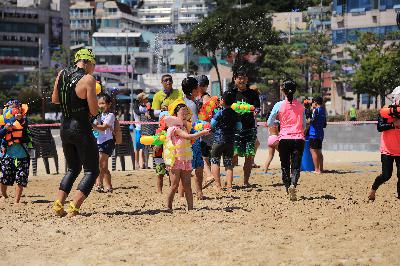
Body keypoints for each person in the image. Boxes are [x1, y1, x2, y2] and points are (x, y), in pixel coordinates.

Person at [51, 48, 99, 217]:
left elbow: (55, 99)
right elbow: (93, 111)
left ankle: (58, 205)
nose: (94, 68)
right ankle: (74, 208)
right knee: (92, 170)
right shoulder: (88, 79)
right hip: (81, 128)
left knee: (72, 168)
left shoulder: (62, 74)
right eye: (93, 64)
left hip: (64, 127)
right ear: (86, 62)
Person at [164, 101, 210, 210]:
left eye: (186, 113)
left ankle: (191, 208)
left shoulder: (185, 127)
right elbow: (188, 137)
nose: (185, 116)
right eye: (182, 113)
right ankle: (168, 207)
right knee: (174, 185)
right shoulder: (175, 129)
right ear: (176, 115)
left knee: (187, 185)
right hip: (176, 160)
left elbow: (190, 138)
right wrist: (202, 133)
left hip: (186, 160)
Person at [267, 79, 306, 201]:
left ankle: (288, 187)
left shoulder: (279, 105)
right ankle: (293, 184)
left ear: (283, 91)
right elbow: (304, 125)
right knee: (296, 166)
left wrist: (279, 122)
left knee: (284, 166)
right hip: (299, 138)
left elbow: (269, 122)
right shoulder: (300, 106)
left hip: (284, 138)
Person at [229, 69, 260, 187]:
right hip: (234, 129)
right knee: (233, 155)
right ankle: (229, 182)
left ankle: (246, 181)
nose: (241, 80)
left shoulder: (253, 93)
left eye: (243, 78)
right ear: (235, 79)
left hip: (249, 128)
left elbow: (257, 108)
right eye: (239, 78)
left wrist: (255, 111)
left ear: (247, 79)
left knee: (249, 155)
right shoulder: (231, 93)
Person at [368, 87, 400, 201]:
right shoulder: (386, 111)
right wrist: (394, 125)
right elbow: (379, 127)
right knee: (386, 175)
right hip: (387, 149)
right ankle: (373, 189)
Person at [0, 101, 31, 203]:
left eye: (16, 108)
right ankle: (4, 195)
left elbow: (25, 126)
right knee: (5, 176)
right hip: (7, 154)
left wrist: (20, 119)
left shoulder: (24, 119)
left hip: (23, 153)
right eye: (11, 108)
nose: (14, 110)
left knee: (21, 177)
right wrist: (5, 129)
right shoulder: (3, 120)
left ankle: (16, 200)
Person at [210, 91, 241, 192]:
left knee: (215, 161)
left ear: (222, 100)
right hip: (230, 141)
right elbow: (239, 127)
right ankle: (229, 187)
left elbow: (212, 125)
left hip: (218, 140)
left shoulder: (219, 113)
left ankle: (218, 185)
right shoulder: (235, 114)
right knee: (228, 164)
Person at [182, 77, 205, 199]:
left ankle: (181, 194)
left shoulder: (181, 102)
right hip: (192, 138)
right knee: (198, 166)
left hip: (181, 139)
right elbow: (196, 124)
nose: (199, 90)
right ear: (193, 90)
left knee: (183, 167)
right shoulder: (192, 104)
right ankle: (199, 192)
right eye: (197, 88)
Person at [93, 93, 115, 193]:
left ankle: (99, 184)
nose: (100, 106)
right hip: (98, 141)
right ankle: (108, 186)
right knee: (103, 166)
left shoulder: (111, 115)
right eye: (99, 103)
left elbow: (104, 127)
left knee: (99, 163)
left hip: (107, 142)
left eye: (103, 103)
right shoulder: (98, 115)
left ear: (109, 104)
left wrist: (91, 124)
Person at [196, 75, 214, 184]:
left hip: (205, 128)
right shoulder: (202, 97)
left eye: (203, 85)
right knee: (206, 153)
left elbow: (207, 115)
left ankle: (209, 175)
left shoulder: (205, 97)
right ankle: (209, 175)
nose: (201, 87)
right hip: (205, 128)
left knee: (203, 153)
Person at [309, 96, 327, 174]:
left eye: (312, 102)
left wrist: (308, 120)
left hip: (314, 133)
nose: (311, 104)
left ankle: (317, 169)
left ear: (315, 103)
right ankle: (321, 168)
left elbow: (312, 120)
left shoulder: (316, 110)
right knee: (319, 151)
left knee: (313, 151)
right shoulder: (323, 111)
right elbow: (324, 125)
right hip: (320, 133)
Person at [133, 92, 150, 169]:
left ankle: (143, 163)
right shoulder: (136, 106)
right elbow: (137, 112)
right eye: (145, 98)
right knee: (137, 148)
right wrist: (145, 113)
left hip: (146, 129)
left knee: (144, 147)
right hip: (138, 129)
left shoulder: (147, 106)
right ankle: (136, 163)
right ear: (141, 99)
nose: (147, 99)